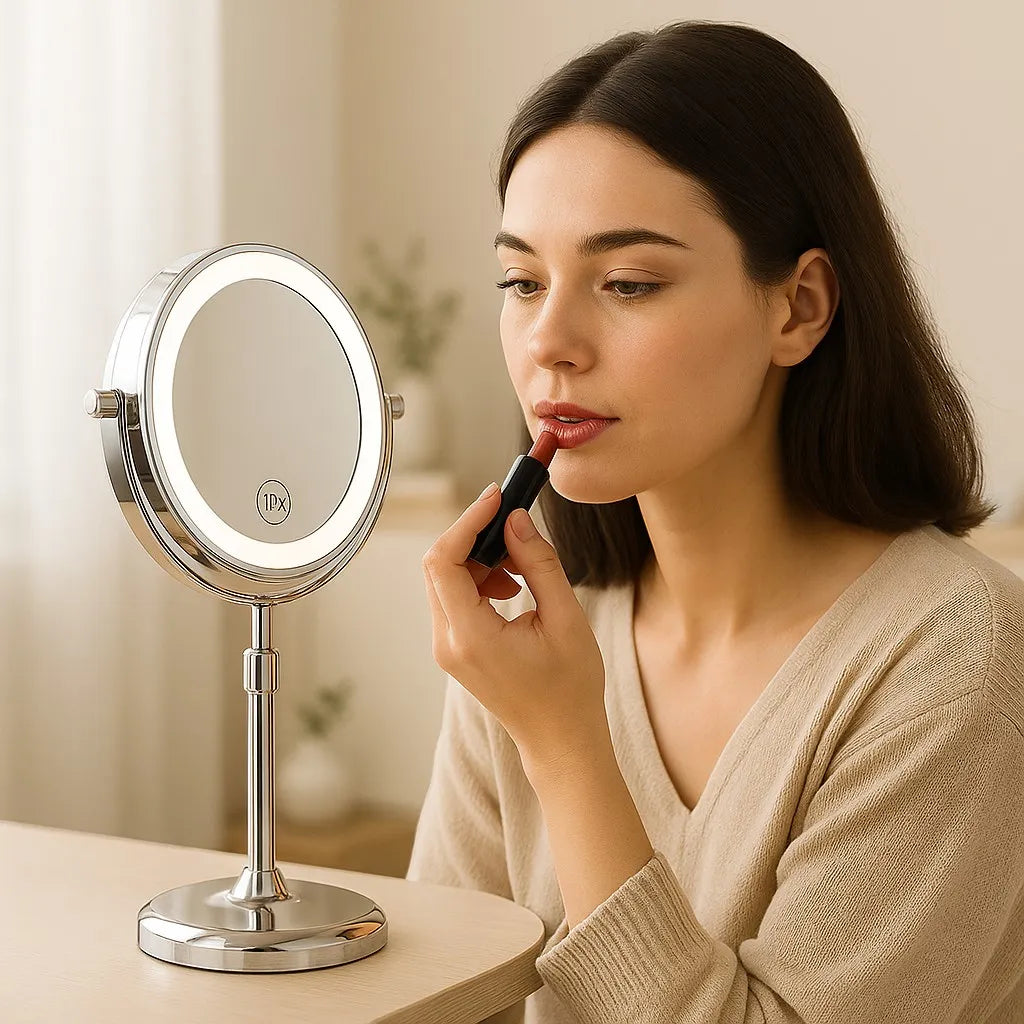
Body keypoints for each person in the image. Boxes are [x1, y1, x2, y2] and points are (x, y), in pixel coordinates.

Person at [409, 19, 1024, 1024]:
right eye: (521, 282)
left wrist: (566, 744)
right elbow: (442, 992)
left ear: (799, 307)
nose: (549, 342)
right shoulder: (534, 618)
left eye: (628, 284)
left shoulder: (957, 655)